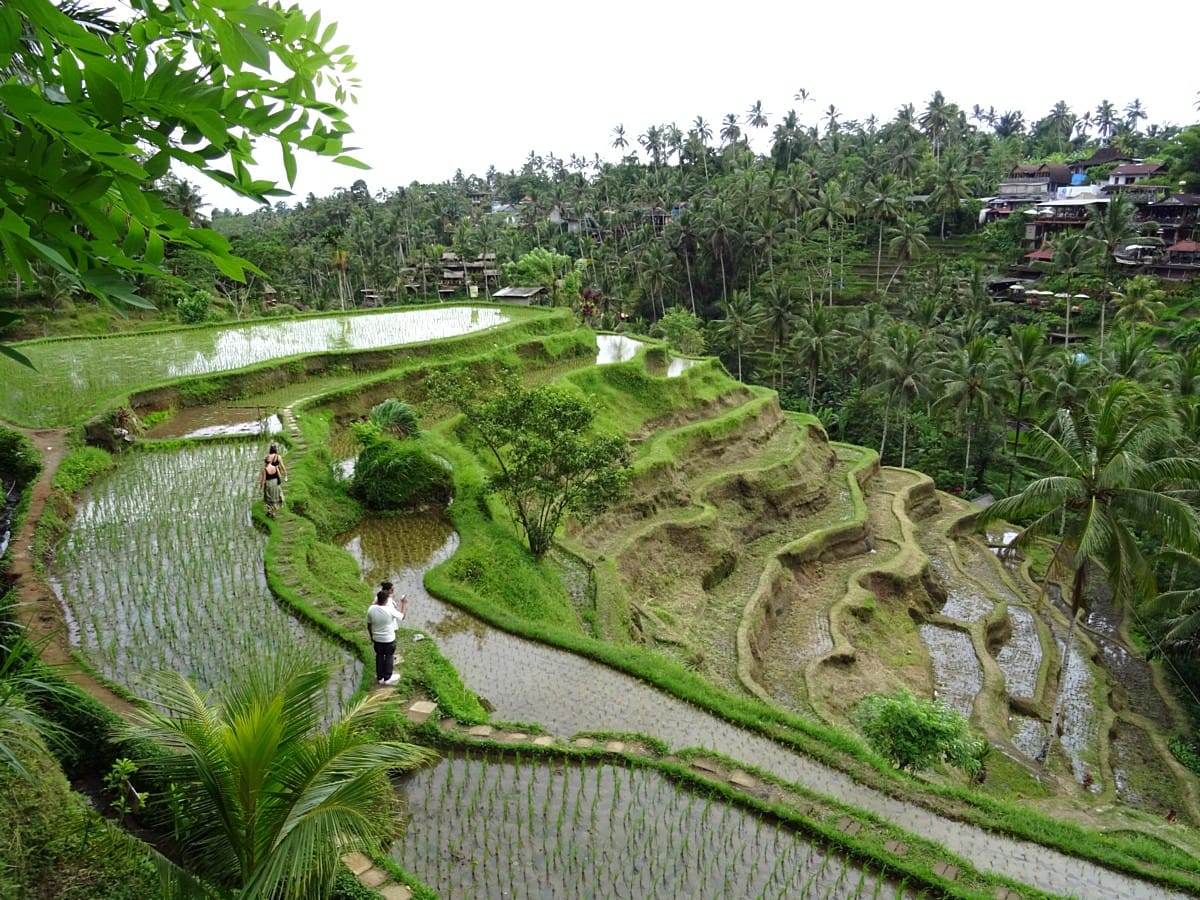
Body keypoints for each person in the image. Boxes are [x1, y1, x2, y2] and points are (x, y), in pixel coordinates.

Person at [367, 581, 406, 686]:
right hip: (389, 639)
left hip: (377, 638)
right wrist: (404, 603)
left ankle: (380, 678)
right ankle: (387, 678)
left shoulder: (371, 609)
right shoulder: (389, 609)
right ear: (386, 599)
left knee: (379, 656)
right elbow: (402, 616)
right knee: (389, 656)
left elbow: (369, 624)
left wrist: (371, 636)